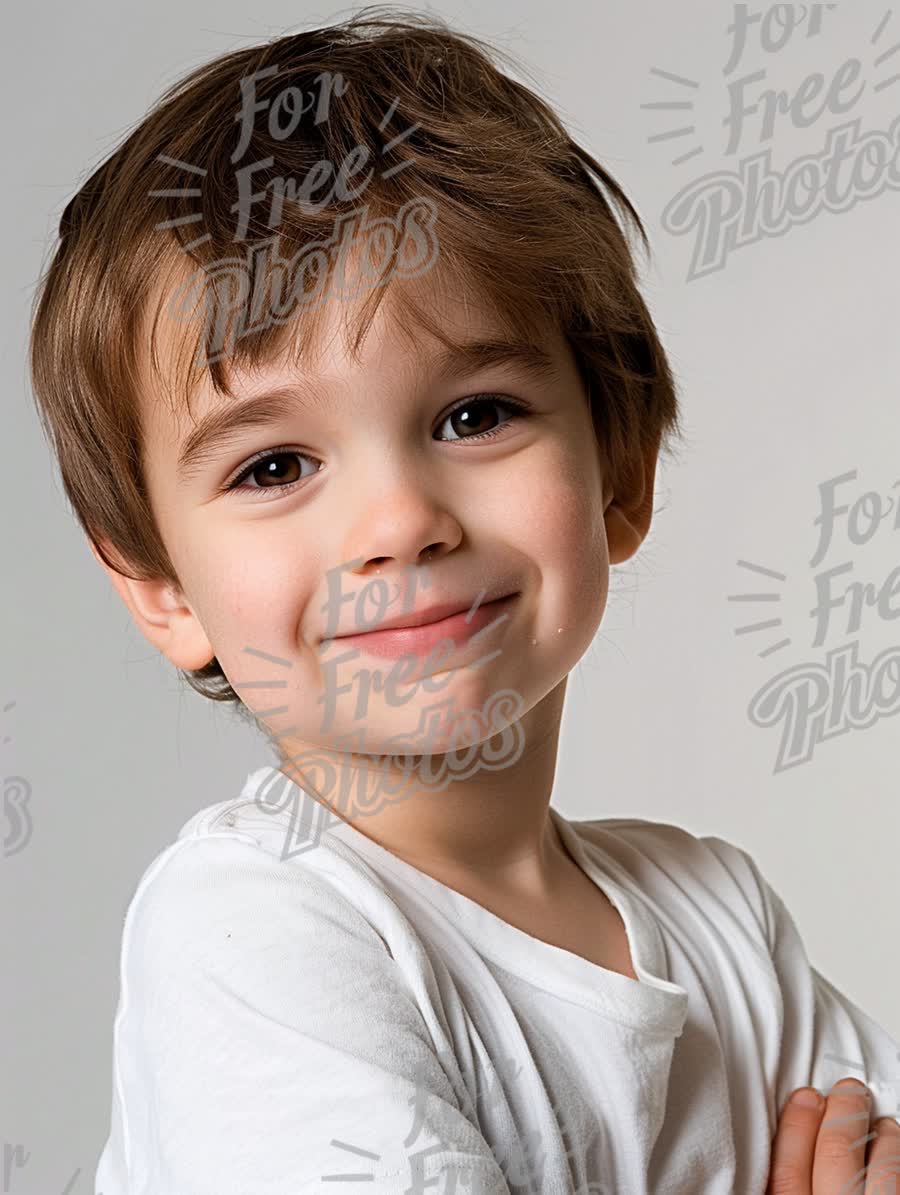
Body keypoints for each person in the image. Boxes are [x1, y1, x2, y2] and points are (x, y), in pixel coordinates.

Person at [28, 8, 899, 1193]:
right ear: (160, 586)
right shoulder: (250, 932)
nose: (398, 522)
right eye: (274, 466)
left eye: (473, 414)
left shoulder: (723, 914)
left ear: (623, 472)